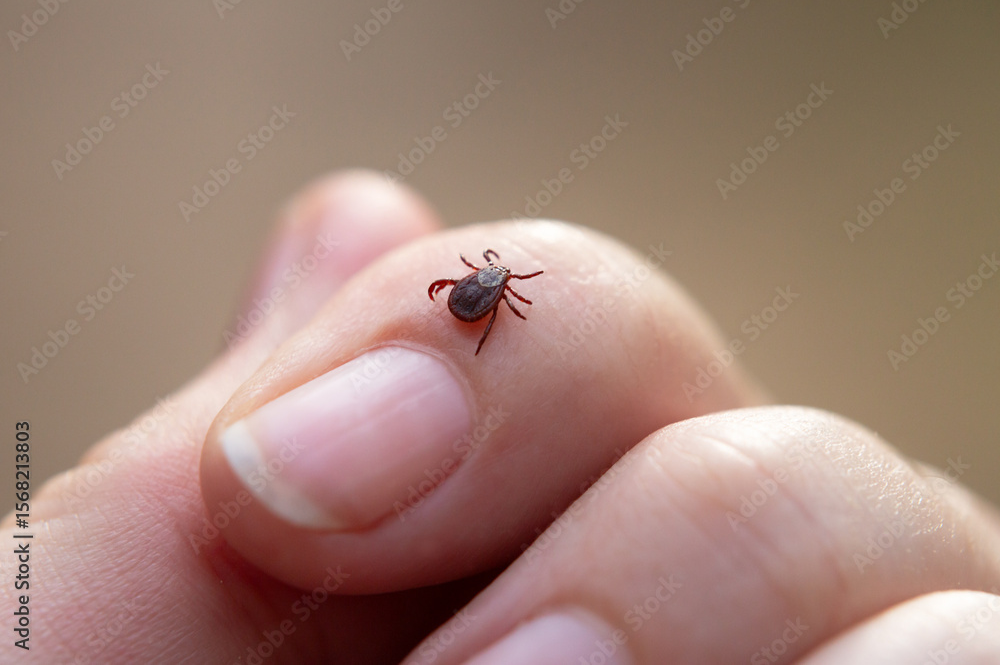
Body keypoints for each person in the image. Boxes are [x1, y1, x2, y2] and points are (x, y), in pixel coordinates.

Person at [5, 170, 1000, 664]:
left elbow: (471, 310)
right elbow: (476, 314)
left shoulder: (484, 295)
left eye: (489, 282)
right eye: (484, 283)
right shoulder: (491, 298)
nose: (485, 288)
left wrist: (461, 325)